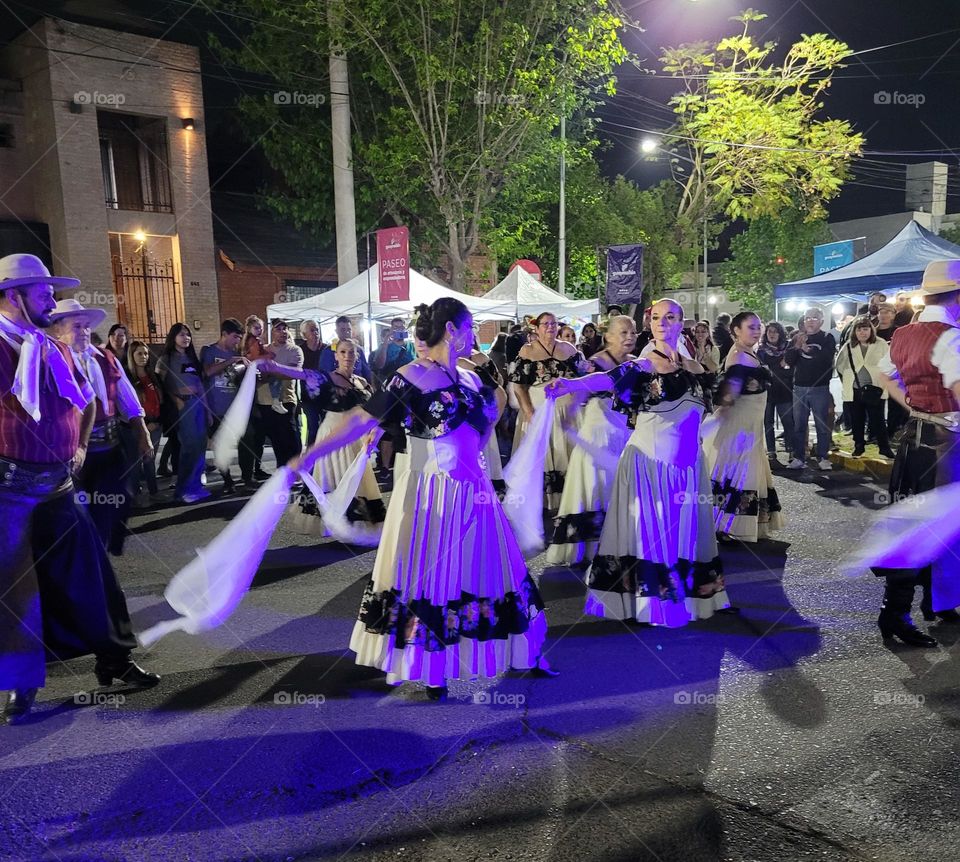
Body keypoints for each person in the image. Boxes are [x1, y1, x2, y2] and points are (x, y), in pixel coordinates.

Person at [296, 297, 554, 701]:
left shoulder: (470, 378)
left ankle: (521, 650)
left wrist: (478, 450)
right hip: (430, 494)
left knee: (489, 569)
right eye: (469, 326)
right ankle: (433, 669)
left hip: (474, 492)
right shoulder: (411, 376)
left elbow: (489, 418)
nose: (473, 333)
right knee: (432, 577)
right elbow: (361, 418)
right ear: (451, 329)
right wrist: (309, 455)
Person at [0, 253, 158, 726]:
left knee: (94, 576)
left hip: (60, 486)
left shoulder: (54, 348)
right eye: (43, 291)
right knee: (17, 590)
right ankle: (20, 683)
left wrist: (81, 443)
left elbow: (86, 401)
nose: (52, 299)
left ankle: (114, 661)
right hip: (10, 492)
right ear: (13, 296)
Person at [548, 299, 728, 627]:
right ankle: (652, 604)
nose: (662, 323)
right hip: (650, 467)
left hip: (688, 468)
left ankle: (685, 597)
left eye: (670, 317)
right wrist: (571, 384)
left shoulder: (694, 368)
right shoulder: (643, 365)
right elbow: (607, 380)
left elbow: (704, 410)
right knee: (653, 536)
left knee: (683, 535)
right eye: (656, 317)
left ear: (681, 323)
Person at [873, 259, 960, 646]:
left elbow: (882, 374)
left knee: (923, 523)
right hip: (946, 441)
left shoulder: (904, 334)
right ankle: (899, 613)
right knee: (933, 526)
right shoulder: (951, 337)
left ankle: (933, 602)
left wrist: (910, 402)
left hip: (917, 438)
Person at [52, 299, 152, 554]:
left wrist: (143, 433)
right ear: (57, 330)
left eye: (87, 326)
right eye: (77, 326)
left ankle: (101, 551)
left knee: (119, 500)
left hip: (110, 448)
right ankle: (92, 557)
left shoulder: (105, 358)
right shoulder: (52, 360)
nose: (84, 331)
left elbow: (127, 397)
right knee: (81, 513)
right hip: (73, 455)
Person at [546, 315, 635, 566]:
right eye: (623, 332)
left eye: (633, 332)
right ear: (608, 336)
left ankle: (619, 544)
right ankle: (592, 547)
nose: (629, 337)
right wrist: (569, 419)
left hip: (624, 435)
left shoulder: (634, 364)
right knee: (595, 488)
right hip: (597, 436)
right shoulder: (596, 362)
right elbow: (579, 393)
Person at [703, 312, 784, 542]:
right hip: (741, 423)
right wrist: (720, 418)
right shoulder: (739, 356)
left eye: (758, 326)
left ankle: (732, 523)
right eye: (751, 327)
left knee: (742, 470)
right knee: (736, 471)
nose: (757, 331)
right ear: (736, 330)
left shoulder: (748, 352)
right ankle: (724, 524)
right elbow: (728, 392)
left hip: (751, 421)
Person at [291, 338, 385, 535]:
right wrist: (273, 367)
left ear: (357, 356)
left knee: (356, 478)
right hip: (333, 432)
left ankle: (352, 523)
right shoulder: (328, 378)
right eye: (343, 352)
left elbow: (374, 409)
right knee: (333, 476)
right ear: (336, 356)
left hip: (356, 435)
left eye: (351, 352)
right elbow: (302, 374)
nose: (347, 356)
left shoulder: (362, 382)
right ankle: (335, 521)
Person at [508, 311, 582, 509]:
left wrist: (575, 407)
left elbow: (582, 378)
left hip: (566, 409)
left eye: (554, 323)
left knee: (567, 455)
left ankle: (566, 501)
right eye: (546, 324)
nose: (550, 327)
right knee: (541, 456)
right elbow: (518, 386)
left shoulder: (568, 348)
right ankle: (542, 502)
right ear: (537, 328)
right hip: (538, 409)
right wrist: (529, 412)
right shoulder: (527, 351)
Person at [156, 322, 210, 503]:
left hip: (198, 404)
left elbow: (200, 385)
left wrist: (207, 410)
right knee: (188, 447)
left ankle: (196, 486)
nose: (186, 337)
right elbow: (159, 384)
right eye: (181, 334)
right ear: (173, 337)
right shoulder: (166, 358)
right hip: (182, 406)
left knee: (200, 446)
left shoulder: (192, 358)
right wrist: (175, 399)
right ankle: (183, 489)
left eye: (188, 334)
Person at [835, 316, 894, 459]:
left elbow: (890, 363)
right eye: (859, 330)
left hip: (876, 388)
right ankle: (859, 446)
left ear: (871, 330)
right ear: (854, 331)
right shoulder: (849, 345)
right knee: (857, 420)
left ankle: (884, 448)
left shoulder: (880, 343)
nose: (862, 332)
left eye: (866, 329)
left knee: (878, 420)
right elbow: (839, 364)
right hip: (855, 389)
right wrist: (848, 378)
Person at [785, 307, 836, 471]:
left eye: (814, 318)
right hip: (799, 387)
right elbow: (788, 361)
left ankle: (823, 457)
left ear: (821, 321)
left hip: (820, 387)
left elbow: (827, 359)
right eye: (807, 318)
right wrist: (796, 347)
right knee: (799, 425)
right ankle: (799, 457)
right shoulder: (797, 338)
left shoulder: (827, 338)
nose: (810, 321)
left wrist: (808, 349)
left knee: (821, 424)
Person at [201, 318, 247, 494]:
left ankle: (241, 476)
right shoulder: (209, 351)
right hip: (214, 406)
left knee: (229, 444)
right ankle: (227, 480)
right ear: (224, 334)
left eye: (239, 338)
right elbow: (208, 371)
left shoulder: (236, 354)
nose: (237, 341)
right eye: (235, 337)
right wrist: (231, 361)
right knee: (218, 445)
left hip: (232, 408)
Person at [128, 339, 163, 500]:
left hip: (156, 424)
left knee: (150, 461)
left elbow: (161, 401)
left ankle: (154, 492)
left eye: (146, 353)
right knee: (135, 463)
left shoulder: (153, 377)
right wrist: (145, 424)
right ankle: (135, 495)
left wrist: (157, 421)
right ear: (132, 355)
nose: (143, 356)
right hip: (138, 426)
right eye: (139, 353)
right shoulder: (128, 378)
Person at [757, 321, 794, 464]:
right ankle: (771, 451)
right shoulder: (761, 351)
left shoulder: (787, 349)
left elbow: (791, 370)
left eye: (775, 331)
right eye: (769, 331)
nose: (772, 334)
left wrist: (775, 369)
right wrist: (780, 367)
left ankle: (791, 449)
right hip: (767, 391)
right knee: (768, 422)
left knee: (788, 421)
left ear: (780, 334)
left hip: (784, 390)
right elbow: (762, 370)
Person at [319, 315, 372, 382]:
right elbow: (325, 374)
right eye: (343, 330)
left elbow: (366, 372)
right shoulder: (329, 351)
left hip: (357, 384)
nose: (347, 332)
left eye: (349, 329)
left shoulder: (358, 350)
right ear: (336, 331)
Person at [298, 318, 325, 446]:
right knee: (312, 427)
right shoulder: (300, 351)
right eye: (312, 330)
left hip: (325, 394)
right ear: (304, 335)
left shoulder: (326, 349)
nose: (316, 333)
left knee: (326, 426)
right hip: (308, 396)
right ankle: (311, 455)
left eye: (317, 330)